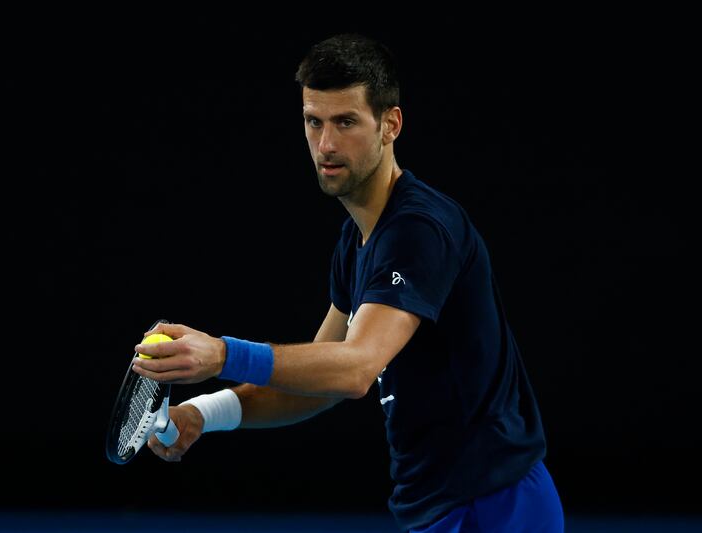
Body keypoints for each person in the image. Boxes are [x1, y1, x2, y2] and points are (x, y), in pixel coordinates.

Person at [131, 33, 564, 532]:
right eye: (313, 122)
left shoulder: (420, 231)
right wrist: (205, 413)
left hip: (497, 506)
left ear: (390, 125)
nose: (326, 144)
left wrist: (223, 354)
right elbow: (318, 384)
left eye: (346, 122)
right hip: (438, 505)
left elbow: (356, 368)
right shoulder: (356, 239)